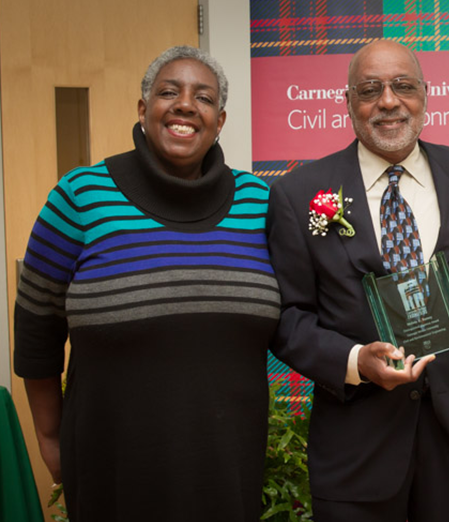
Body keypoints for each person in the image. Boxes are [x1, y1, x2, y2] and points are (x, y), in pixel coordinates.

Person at [14, 46, 280, 522]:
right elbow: (37, 329)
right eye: (167, 92)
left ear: (219, 121)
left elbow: (295, 316)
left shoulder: (260, 203)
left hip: (227, 464)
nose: (184, 105)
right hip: (110, 465)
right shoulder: (80, 197)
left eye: (202, 97)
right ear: (143, 110)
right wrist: (50, 437)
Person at [266, 40, 449, 522]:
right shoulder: (298, 193)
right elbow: (288, 318)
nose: (389, 101)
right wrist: (355, 361)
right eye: (370, 89)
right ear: (348, 102)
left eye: (403, 86)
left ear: (426, 95)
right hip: (359, 442)